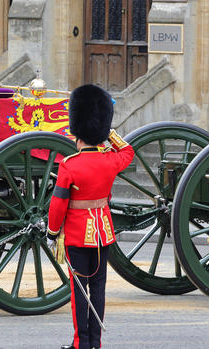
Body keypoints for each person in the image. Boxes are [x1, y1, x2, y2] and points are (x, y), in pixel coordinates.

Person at [47, 85, 134, 349]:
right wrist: (108, 132)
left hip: (75, 235)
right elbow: (128, 151)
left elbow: (58, 205)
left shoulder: (69, 165)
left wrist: (52, 233)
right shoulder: (110, 161)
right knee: (98, 289)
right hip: (102, 234)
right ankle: (94, 342)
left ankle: (80, 342)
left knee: (79, 291)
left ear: (77, 135)